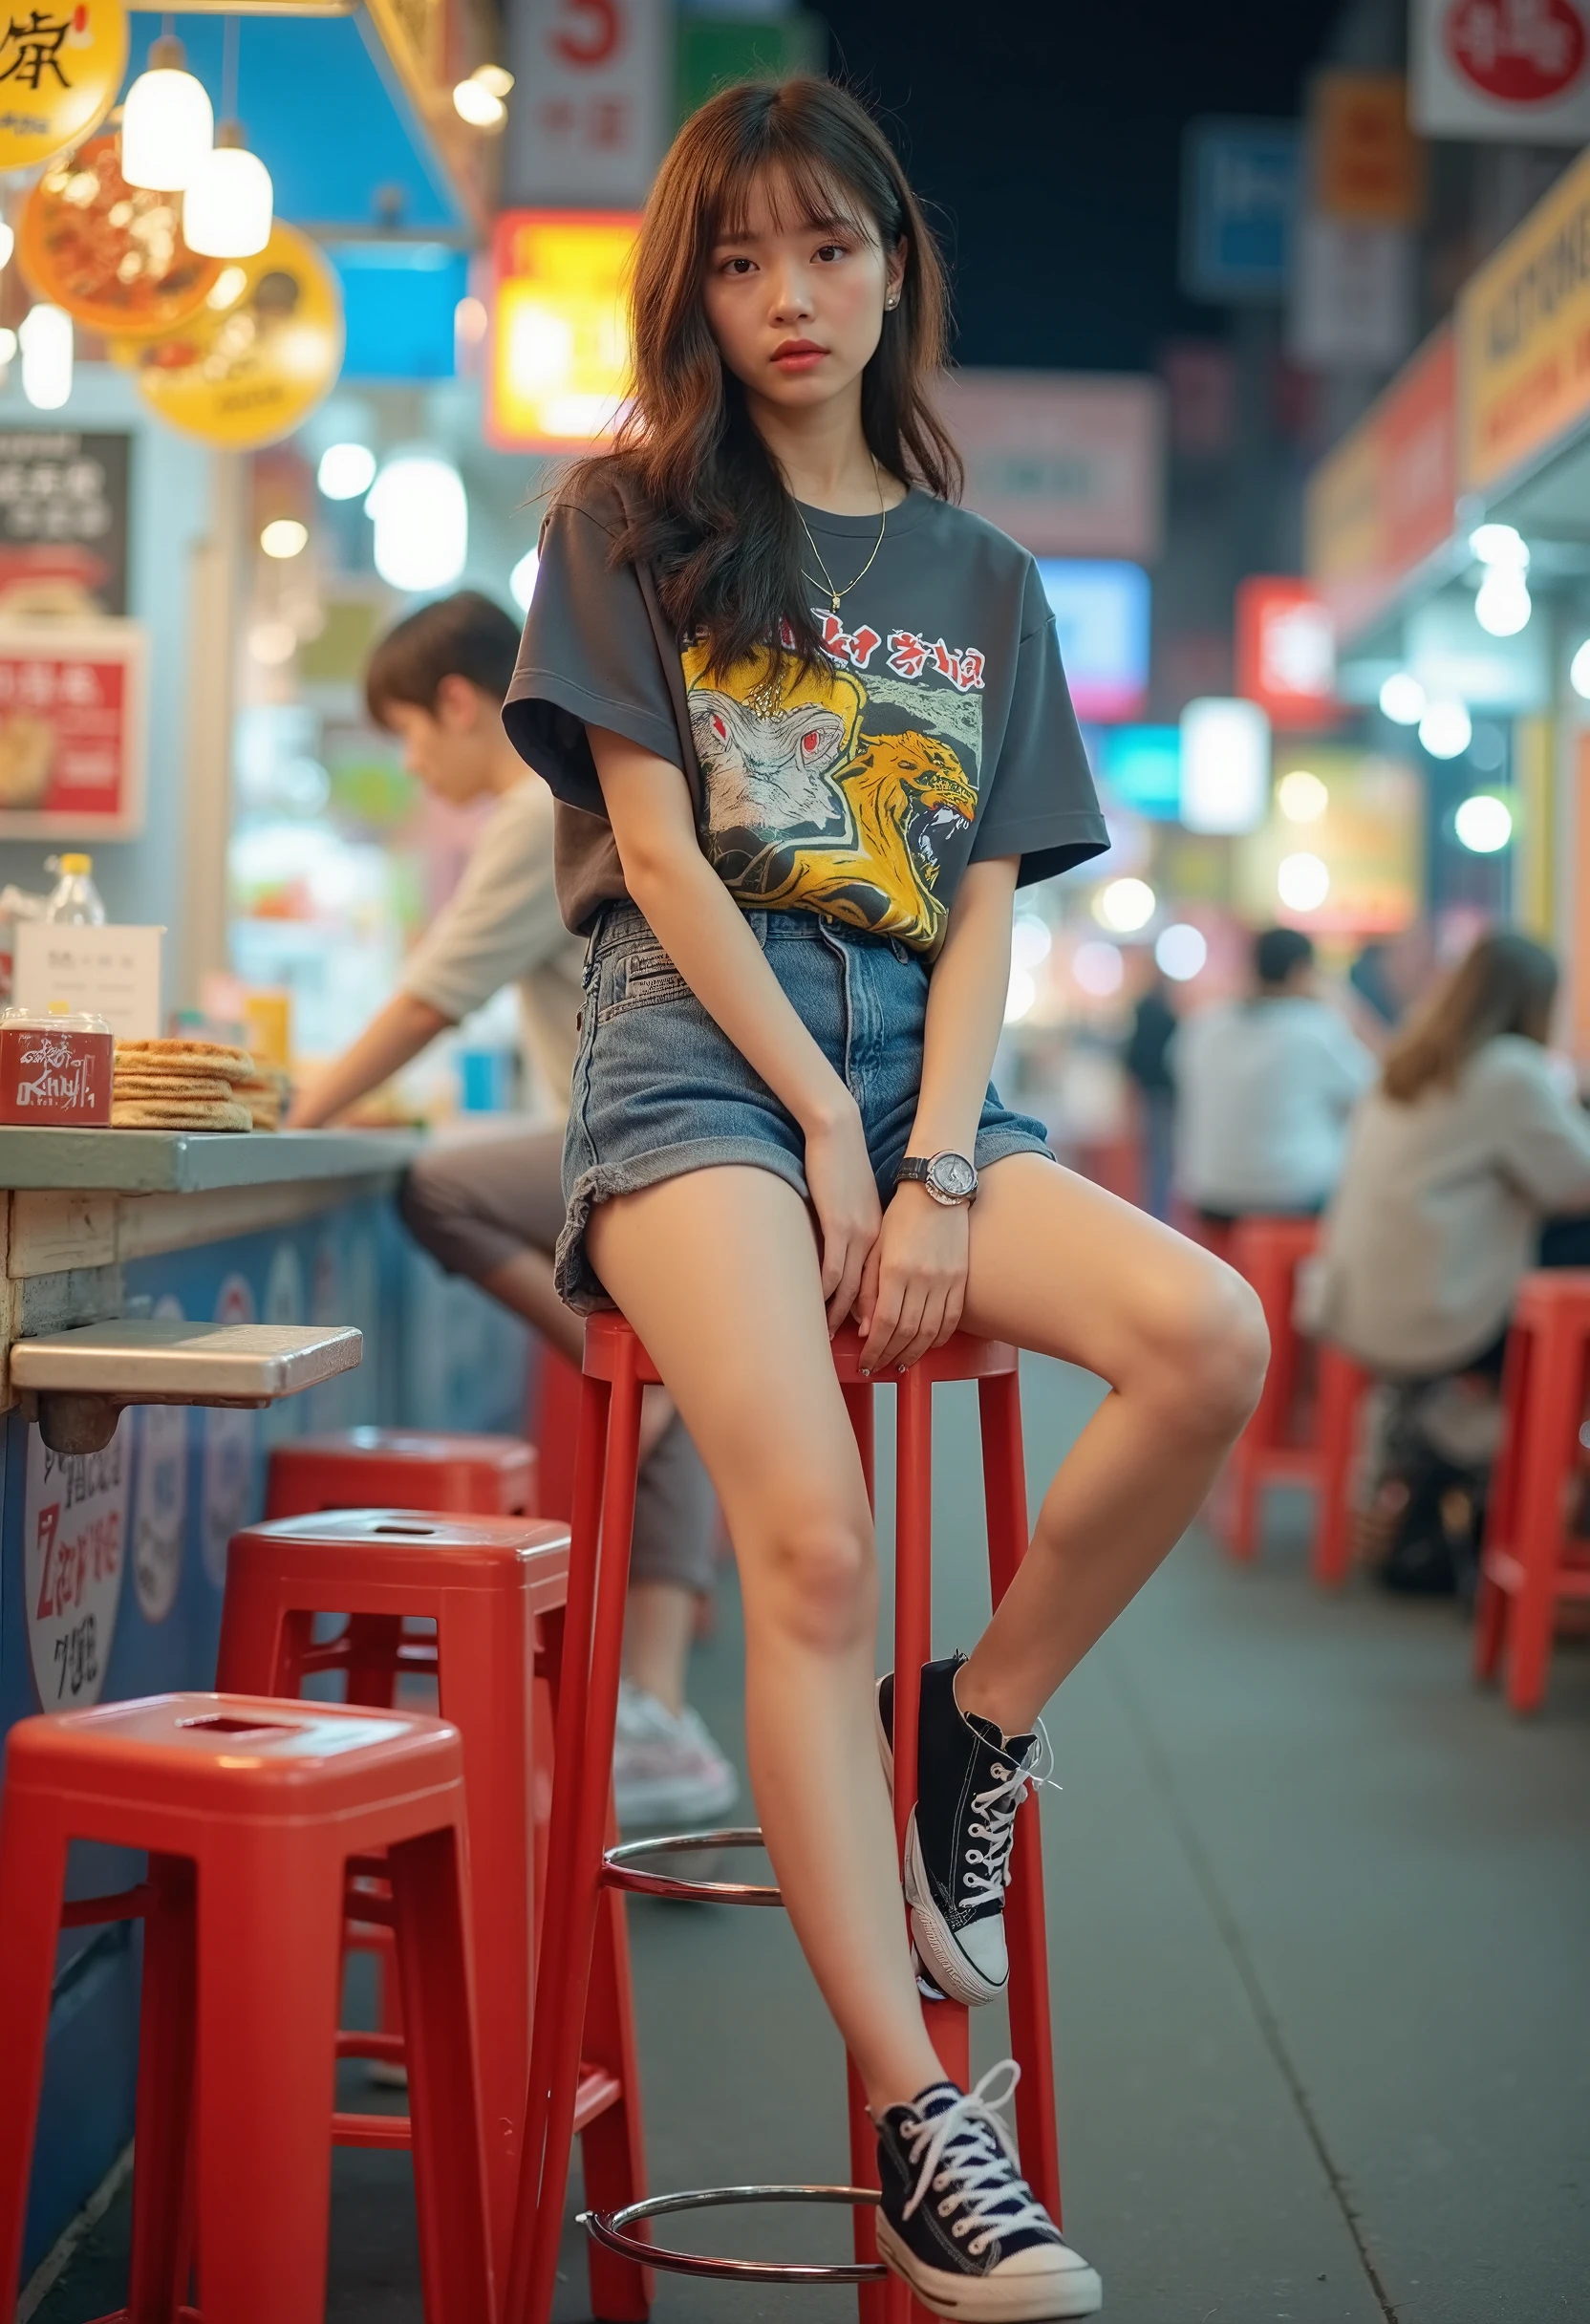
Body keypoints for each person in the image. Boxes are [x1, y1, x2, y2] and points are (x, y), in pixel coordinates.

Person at [501, 77, 1268, 2319]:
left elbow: (987, 911)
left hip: (915, 1058)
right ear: (692, 294)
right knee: (812, 1529)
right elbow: (653, 854)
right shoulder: (623, 520)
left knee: (1204, 1335)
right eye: (734, 263)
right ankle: (925, 2114)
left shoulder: (984, 576)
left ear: (889, 261)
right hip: (689, 1048)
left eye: (821, 249)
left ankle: (979, 1717)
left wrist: (932, 1153)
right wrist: (828, 1140)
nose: (782, 300)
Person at [288, 592, 737, 1828]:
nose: (416, 767)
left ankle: (625, 1379)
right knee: (676, 1394)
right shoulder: (598, 785)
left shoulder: (533, 803)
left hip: (641, 1139)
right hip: (705, 1143)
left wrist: (300, 1112)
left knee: (440, 1189)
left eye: (408, 738)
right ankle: (660, 1715)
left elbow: (430, 1000)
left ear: (454, 702)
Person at [1314, 933, 1590, 1589]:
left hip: (1357, 1305)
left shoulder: (1405, 1063)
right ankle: (1545, 1500)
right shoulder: (1509, 1071)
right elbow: (1575, 1180)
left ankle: (1489, 1475)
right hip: (1440, 1317)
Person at [1172, 925, 1375, 1227]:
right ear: (1301, 972)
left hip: (1211, 1198)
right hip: (1294, 1200)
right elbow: (1376, 1090)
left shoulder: (1203, 1027)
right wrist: (1344, 1005)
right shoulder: (1315, 1028)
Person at [1122, 967, 1176, 1220]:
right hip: (1163, 1094)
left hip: (1148, 1092)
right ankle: (1159, 1213)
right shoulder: (1166, 1018)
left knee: (1154, 1157)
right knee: (1162, 1158)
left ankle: (1155, 1211)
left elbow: (1132, 1058)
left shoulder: (1143, 1015)